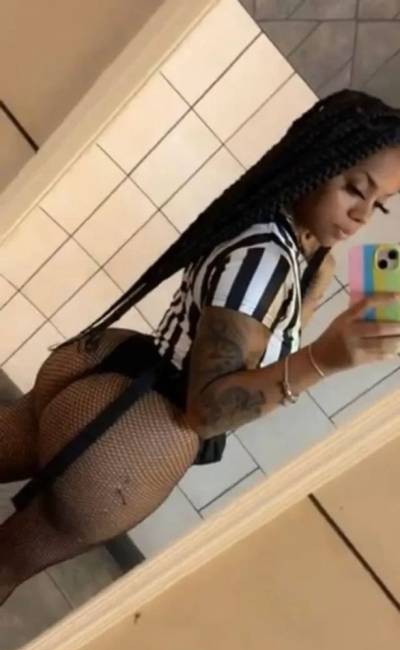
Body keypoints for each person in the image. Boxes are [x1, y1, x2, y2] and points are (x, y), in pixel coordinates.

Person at [1, 88, 400, 606]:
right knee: (6, 562)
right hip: (135, 433)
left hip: (109, 366)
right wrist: (323, 360)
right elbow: (206, 411)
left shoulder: (282, 231)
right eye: (354, 189)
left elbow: (265, 338)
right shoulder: (264, 260)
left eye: (379, 204)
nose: (363, 215)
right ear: (319, 163)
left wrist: (320, 283)